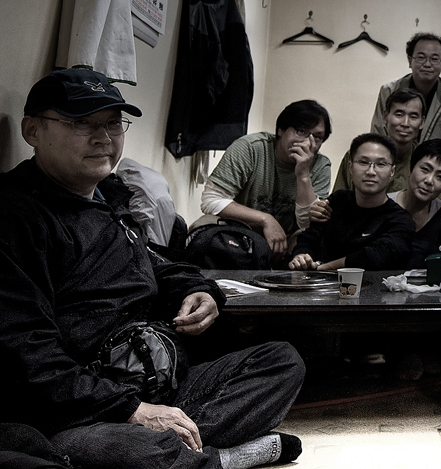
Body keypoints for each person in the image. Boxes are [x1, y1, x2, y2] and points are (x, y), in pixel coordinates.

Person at [1, 68, 304, 469]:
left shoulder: (110, 196)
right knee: (134, 453)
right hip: (79, 406)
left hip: (158, 380)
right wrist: (130, 410)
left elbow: (152, 259)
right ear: (32, 131)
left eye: (113, 123)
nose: (103, 137)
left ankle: (178, 445)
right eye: (81, 123)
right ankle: (214, 457)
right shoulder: (15, 216)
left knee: (282, 361)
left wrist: (199, 289)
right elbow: (26, 352)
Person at [201, 99, 332, 258]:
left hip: (288, 241)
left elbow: (307, 223)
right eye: (300, 131)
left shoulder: (320, 165)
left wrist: (303, 175)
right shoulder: (250, 148)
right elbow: (211, 200)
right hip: (238, 233)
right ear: (281, 130)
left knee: (321, 241)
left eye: (317, 137)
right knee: (203, 227)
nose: (308, 143)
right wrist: (265, 219)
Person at [290, 133, 415, 271]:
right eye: (363, 162)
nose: (371, 171)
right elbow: (309, 238)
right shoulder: (337, 201)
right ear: (350, 167)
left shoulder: (400, 219)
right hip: (317, 282)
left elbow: (376, 256)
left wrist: (325, 268)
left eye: (381, 164)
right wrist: (302, 256)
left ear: (392, 171)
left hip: (369, 284)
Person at [369, 32, 441, 152]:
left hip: (432, 162)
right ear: (410, 61)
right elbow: (377, 135)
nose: (427, 64)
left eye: (434, 59)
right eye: (421, 57)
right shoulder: (389, 90)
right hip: (392, 159)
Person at [387, 138, 441, 268]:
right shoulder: (383, 206)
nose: (429, 180)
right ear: (411, 169)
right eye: (425, 169)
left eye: (440, 177)